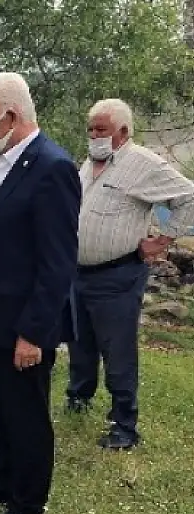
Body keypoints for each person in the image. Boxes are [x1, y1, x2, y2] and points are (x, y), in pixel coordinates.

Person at [0, 72, 81, 514]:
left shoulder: (51, 167)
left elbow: (57, 262)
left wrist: (33, 332)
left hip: (23, 324)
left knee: (26, 415)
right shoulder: (8, 163)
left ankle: (27, 507)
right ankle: (1, 482)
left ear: (11, 116)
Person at [67, 98, 194, 450]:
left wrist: (163, 240)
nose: (94, 136)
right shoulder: (91, 162)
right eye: (90, 129)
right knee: (79, 340)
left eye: (101, 130)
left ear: (123, 132)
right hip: (78, 272)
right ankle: (78, 398)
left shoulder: (143, 164)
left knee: (117, 349)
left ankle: (124, 425)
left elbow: (189, 195)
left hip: (117, 275)